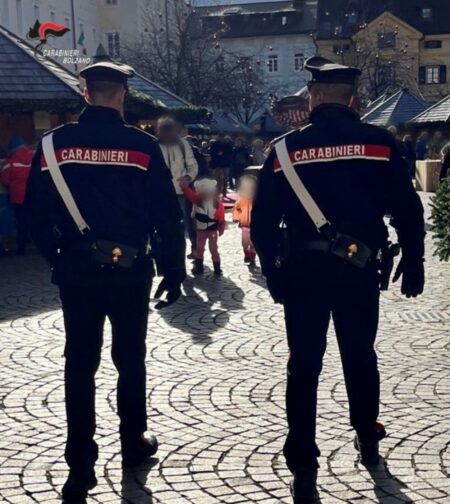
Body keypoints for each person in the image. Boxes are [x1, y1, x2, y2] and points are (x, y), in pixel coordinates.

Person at [251, 56, 425, 504]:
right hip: (358, 270)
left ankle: (303, 466)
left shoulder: (283, 151)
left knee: (303, 366)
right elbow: (408, 208)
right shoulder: (379, 143)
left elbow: (264, 222)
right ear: (354, 100)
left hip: (304, 274)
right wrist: (416, 260)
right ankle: (367, 437)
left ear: (312, 98)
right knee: (360, 356)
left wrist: (273, 272)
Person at [25, 58, 186, 503]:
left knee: (79, 364)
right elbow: (166, 215)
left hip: (77, 269)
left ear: (85, 93)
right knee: (129, 359)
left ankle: (80, 465)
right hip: (132, 268)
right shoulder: (142, 146)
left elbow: (33, 211)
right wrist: (173, 270)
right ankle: (133, 443)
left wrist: (55, 255)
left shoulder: (54, 145)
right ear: (122, 96)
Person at [157, 117, 199, 257]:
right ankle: (170, 252)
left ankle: (195, 250)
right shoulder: (155, 145)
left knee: (189, 222)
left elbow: (193, 165)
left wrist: (187, 178)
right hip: (163, 191)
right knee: (166, 224)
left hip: (181, 190)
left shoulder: (183, 145)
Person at [180, 177, 225, 276]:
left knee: (214, 249)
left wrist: (221, 226)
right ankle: (199, 267)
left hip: (212, 229)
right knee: (200, 248)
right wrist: (185, 188)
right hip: (201, 230)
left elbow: (221, 215)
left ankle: (217, 267)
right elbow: (190, 195)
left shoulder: (216, 202)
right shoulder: (198, 199)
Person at [0, 136, 33, 254]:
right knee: (35, 220)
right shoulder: (34, 157)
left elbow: (4, 179)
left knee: (20, 222)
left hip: (18, 196)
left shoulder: (10, 162)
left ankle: (21, 248)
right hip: (34, 195)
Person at [232, 174, 257, 266]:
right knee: (245, 242)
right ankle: (247, 254)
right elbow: (236, 209)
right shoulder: (241, 200)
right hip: (244, 225)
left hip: (254, 225)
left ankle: (252, 258)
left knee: (253, 242)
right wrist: (236, 217)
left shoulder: (256, 200)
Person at [210, 132, 233, 198]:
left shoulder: (227, 144)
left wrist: (223, 154)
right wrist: (217, 154)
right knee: (218, 178)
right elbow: (212, 153)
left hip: (225, 163)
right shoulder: (215, 144)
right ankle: (218, 192)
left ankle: (224, 192)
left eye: (222, 137)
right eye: (220, 137)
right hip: (217, 163)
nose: (221, 139)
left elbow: (230, 153)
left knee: (225, 178)